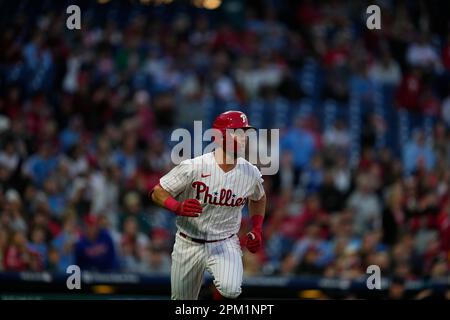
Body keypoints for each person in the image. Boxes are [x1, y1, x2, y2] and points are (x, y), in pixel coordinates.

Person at [150, 110, 266, 300]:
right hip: (188, 241)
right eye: (237, 132)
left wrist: (258, 228)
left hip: (224, 242)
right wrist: (176, 207)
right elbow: (157, 192)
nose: (244, 138)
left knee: (231, 289)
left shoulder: (250, 172)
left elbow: (259, 197)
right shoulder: (194, 166)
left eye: (245, 133)